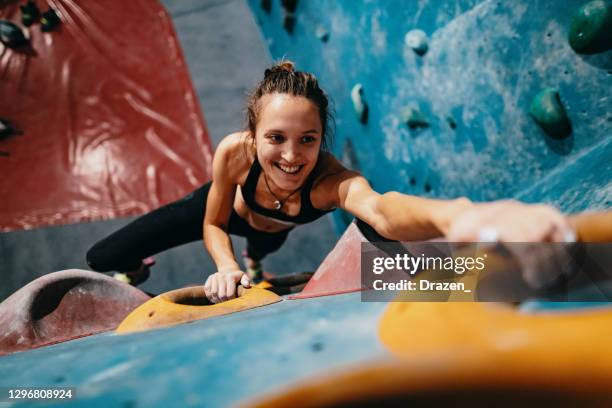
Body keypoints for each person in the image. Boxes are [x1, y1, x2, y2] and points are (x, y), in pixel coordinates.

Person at [86, 60, 575, 303]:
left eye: (309, 139)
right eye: (276, 138)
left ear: (322, 138)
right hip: (219, 211)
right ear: (253, 137)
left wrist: (463, 215)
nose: (293, 156)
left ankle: (256, 257)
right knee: (102, 258)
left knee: (265, 250)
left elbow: (382, 209)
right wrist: (224, 266)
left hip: (267, 230)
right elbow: (212, 222)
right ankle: (144, 267)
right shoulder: (234, 154)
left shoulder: (328, 184)